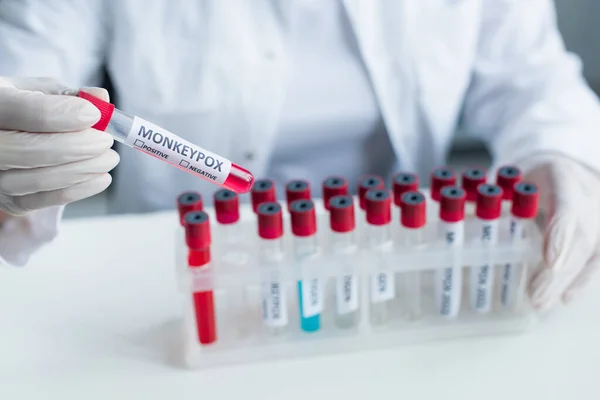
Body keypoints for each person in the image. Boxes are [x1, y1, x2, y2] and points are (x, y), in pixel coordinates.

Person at [0, 0, 599, 310]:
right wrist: (16, 143)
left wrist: (564, 155)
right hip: (177, 286)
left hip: (397, 267)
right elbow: (23, 62)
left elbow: (533, 78)